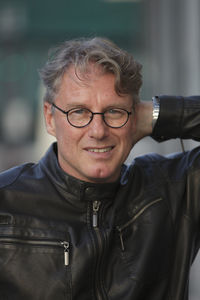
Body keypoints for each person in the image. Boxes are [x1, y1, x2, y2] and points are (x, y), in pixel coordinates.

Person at [0, 37, 200, 300]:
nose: (98, 131)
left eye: (114, 112)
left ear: (135, 117)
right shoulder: (6, 202)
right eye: (79, 112)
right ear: (50, 118)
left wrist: (157, 115)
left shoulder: (173, 191)